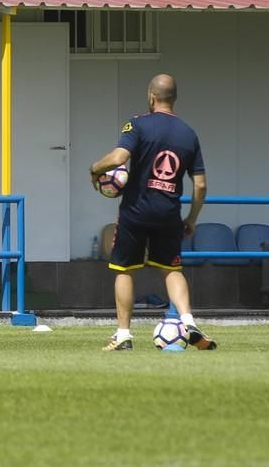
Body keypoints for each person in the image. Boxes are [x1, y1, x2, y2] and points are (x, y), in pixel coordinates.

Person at [88, 73, 217, 351]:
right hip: (169, 212)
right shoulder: (188, 133)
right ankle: (188, 320)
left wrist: (95, 168)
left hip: (136, 210)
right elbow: (201, 185)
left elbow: (119, 158)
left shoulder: (137, 124)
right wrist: (192, 218)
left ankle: (123, 335)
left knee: (124, 269)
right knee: (171, 269)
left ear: (151, 96)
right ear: (174, 98)